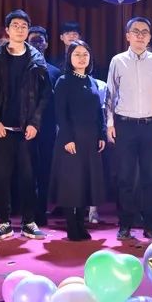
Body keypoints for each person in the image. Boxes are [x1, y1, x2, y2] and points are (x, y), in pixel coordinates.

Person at [0, 10, 52, 240]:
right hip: (1, 129)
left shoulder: (37, 59)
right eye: (15, 25)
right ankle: (4, 223)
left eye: (24, 26)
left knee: (29, 177)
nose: (20, 29)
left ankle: (29, 222)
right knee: (1, 177)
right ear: (8, 30)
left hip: (27, 130)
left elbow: (45, 95)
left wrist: (35, 123)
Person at [107, 17, 152, 240]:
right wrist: (110, 123)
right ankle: (125, 225)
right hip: (125, 125)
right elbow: (110, 94)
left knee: (150, 177)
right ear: (128, 36)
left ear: (150, 37)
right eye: (136, 31)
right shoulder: (118, 61)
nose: (140, 35)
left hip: (151, 126)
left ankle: (150, 225)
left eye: (145, 32)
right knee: (125, 177)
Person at [50, 40, 106, 241]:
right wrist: (67, 138)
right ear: (69, 58)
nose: (81, 58)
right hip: (71, 139)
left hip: (90, 139)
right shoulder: (64, 81)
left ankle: (81, 224)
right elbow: (60, 113)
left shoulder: (92, 81)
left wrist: (101, 134)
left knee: (85, 182)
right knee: (71, 184)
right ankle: (71, 226)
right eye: (77, 54)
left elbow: (99, 111)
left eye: (85, 54)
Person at [28, 26, 61, 227]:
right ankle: (26, 211)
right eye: (33, 40)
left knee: (44, 170)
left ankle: (40, 211)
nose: (37, 44)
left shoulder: (55, 72)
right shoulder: (21, 67)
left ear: (46, 44)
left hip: (48, 128)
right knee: (26, 170)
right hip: (24, 128)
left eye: (40, 41)